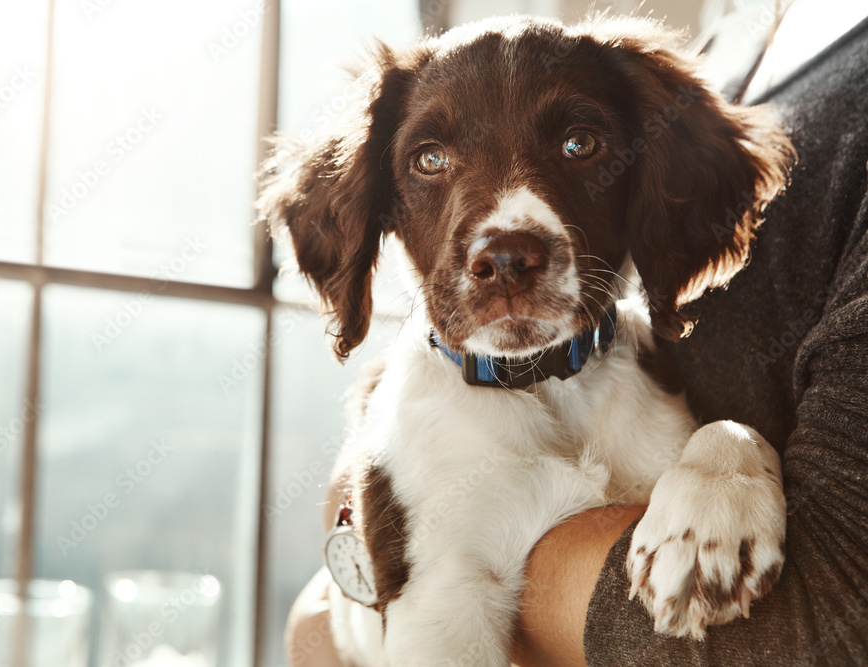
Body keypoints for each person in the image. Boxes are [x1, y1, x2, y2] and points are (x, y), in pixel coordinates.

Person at [285, 0, 868, 664]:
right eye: (429, 158)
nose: (502, 248)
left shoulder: (666, 409)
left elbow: (824, 616)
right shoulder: (737, 39)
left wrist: (731, 454)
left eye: (577, 145)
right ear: (378, 204)